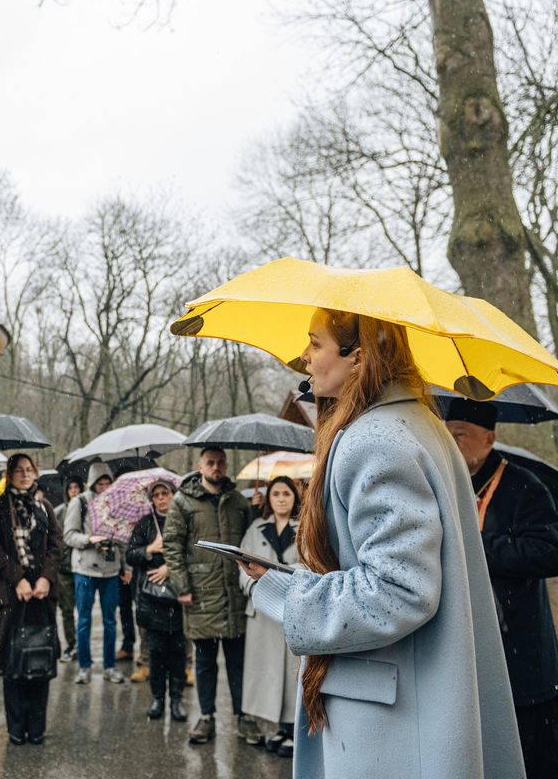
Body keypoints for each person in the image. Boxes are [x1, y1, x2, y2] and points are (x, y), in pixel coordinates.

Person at [240, 309, 525, 778]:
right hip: (417, 697)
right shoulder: (419, 425)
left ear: (359, 356)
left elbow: (399, 590)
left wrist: (285, 591)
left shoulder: (374, 439)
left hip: (389, 718)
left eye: (315, 343)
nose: (304, 358)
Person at [445, 398, 558, 779]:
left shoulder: (524, 486)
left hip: (522, 652)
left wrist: (482, 546)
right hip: (468, 644)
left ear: (489, 439)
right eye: (447, 435)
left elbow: (551, 554)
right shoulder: (447, 485)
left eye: (461, 435)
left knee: (533, 759)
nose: (452, 444)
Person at [163, 446, 261, 746]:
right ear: (200, 466)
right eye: (210, 463)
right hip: (200, 593)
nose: (216, 468)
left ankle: (244, 717)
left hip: (235, 593)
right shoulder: (182, 501)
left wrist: (257, 511)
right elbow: (172, 545)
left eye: (220, 463)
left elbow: (251, 541)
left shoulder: (238, 502)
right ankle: (206, 717)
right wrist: (182, 587)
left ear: (226, 465)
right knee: (205, 662)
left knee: (239, 661)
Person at [0, 453, 62, 745]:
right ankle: (16, 729)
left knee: (39, 657)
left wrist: (44, 578)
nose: (25, 475)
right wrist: (19, 578)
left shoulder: (45, 507)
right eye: (18, 470)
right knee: (13, 662)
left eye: (29, 470)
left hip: (41, 594)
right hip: (10, 595)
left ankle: (37, 728)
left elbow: (55, 545)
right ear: (9, 473)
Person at [238, 476, 302, 757]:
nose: (281, 499)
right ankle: (277, 727)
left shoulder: (305, 528)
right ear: (269, 498)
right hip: (263, 609)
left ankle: (292, 728)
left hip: (291, 608)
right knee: (268, 671)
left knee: (291, 671)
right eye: (275, 493)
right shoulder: (256, 528)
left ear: (294, 498)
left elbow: (311, 561)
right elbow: (241, 565)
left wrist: (285, 576)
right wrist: (254, 585)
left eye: (286, 493)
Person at [125, 477, 187, 723]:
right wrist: (150, 549)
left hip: (180, 597)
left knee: (178, 653)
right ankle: (158, 698)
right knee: (157, 653)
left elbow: (193, 552)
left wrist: (170, 568)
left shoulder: (183, 520)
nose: (161, 498)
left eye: (165, 493)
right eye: (156, 495)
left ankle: (178, 699)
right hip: (152, 600)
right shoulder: (145, 524)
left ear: (174, 494)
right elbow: (130, 554)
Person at [62, 462, 131, 684]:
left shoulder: (118, 504)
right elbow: (69, 535)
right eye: (99, 483)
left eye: (107, 483)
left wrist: (126, 567)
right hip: (84, 569)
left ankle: (110, 666)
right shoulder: (79, 502)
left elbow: (123, 539)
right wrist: (90, 540)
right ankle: (84, 666)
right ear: (92, 484)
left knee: (110, 621)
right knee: (83, 620)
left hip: (110, 571)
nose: (104, 487)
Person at [53, 477, 83, 662]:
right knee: (67, 609)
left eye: (76, 486)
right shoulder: (58, 512)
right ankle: (71, 643)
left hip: (81, 566)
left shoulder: (87, 510)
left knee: (83, 609)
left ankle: (82, 644)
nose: (73, 490)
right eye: (70, 487)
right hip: (63, 568)